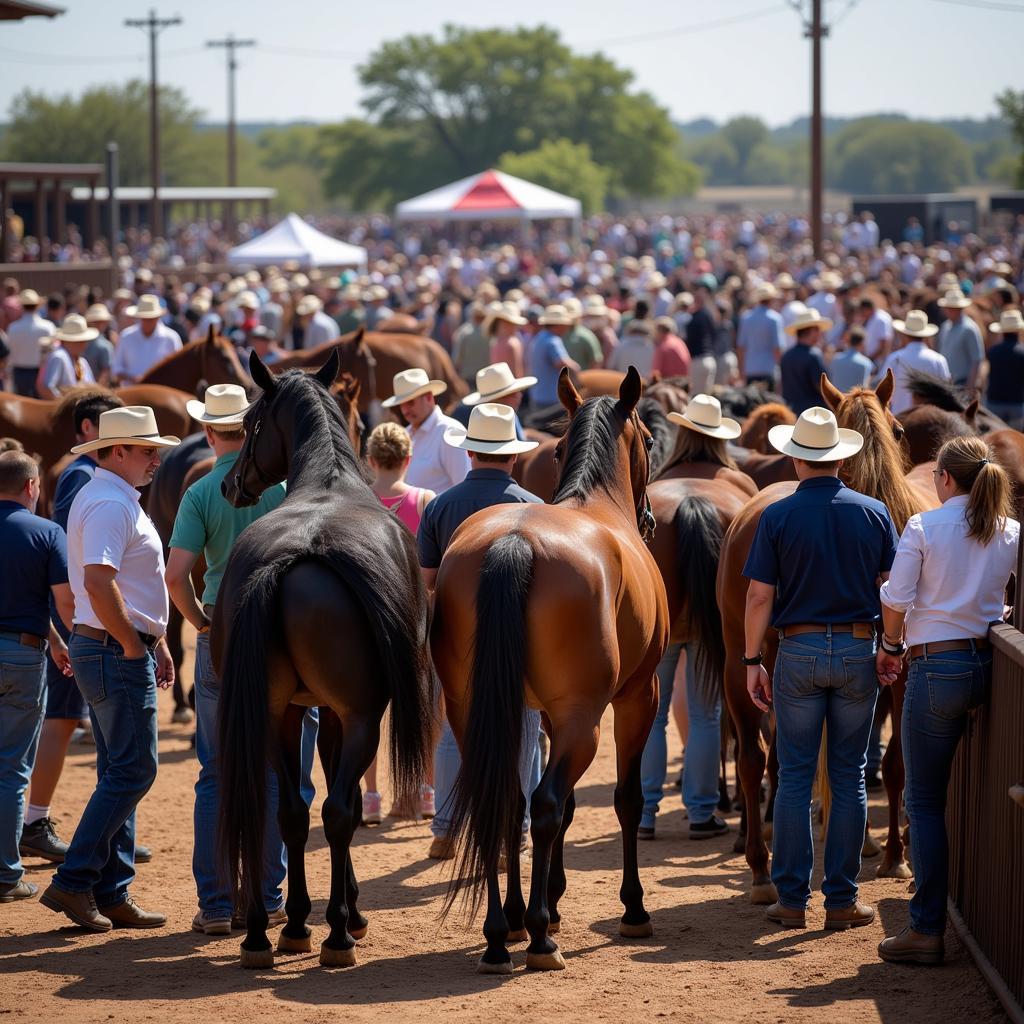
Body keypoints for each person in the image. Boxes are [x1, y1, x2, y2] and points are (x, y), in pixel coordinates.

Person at [743, 406, 898, 930]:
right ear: (840, 459)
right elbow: (890, 593)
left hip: (797, 650)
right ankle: (840, 900)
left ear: (794, 458)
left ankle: (790, 900)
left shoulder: (777, 515)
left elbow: (760, 596)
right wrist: (891, 646)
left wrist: (749, 661)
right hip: (858, 649)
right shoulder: (874, 512)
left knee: (793, 778)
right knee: (851, 777)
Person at [165, 384, 309, 936]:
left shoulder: (202, 492)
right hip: (282, 632)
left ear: (207, 431)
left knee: (216, 772)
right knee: (282, 771)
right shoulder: (284, 491)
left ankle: (218, 902)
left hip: (223, 633)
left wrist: (200, 622)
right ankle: (271, 895)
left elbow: (176, 575)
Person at [877, 436, 1018, 965]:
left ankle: (927, 927)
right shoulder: (1010, 531)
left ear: (945, 479)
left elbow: (896, 598)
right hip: (992, 666)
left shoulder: (924, 526)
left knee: (924, 802)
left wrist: (890, 646)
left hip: (936, 667)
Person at [40, 406, 180, 932]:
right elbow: (99, 582)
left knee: (118, 768)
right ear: (117, 451)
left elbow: (117, 585)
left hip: (107, 644)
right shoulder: (108, 502)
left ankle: (110, 888)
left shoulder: (110, 497)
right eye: (147, 450)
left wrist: (152, 638)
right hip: (110, 647)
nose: (155, 459)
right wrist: (131, 642)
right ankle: (77, 881)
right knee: (133, 769)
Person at [416, 403, 543, 859]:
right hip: (523, 638)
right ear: (512, 456)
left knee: (455, 726)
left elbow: (426, 583)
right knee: (527, 723)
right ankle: (520, 827)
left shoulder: (441, 507)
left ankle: (447, 828)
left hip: (458, 636)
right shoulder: (538, 509)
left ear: (470, 454)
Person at [19, 393, 127, 868]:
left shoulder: (85, 477)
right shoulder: (81, 477)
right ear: (87, 430)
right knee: (62, 723)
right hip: (78, 618)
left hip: (79, 616)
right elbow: (68, 557)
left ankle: (106, 836)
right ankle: (34, 822)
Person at [640, 396, 744, 841]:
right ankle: (701, 811)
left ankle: (644, 810)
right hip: (712, 622)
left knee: (651, 714)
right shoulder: (738, 485)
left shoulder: (654, 486)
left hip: (658, 621)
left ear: (681, 435)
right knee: (706, 713)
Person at [0, 451, 74, 902]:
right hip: (24, 657)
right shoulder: (47, 532)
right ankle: (6, 874)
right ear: (31, 487)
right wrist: (66, 641)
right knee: (11, 768)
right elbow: (62, 604)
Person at [360, 422, 437, 825]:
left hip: (369, 618)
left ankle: (370, 796)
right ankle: (426, 791)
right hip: (415, 617)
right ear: (408, 459)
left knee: (366, 711)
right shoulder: (426, 500)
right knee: (424, 707)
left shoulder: (357, 502)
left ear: (371, 460)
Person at [382, 369, 469, 493]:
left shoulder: (450, 432)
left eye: (410, 402)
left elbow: (464, 486)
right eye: (402, 404)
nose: (405, 410)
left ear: (429, 397)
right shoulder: (405, 434)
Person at [879, 310, 951, 416]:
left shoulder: (895, 358)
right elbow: (946, 392)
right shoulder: (938, 360)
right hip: (930, 419)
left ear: (904, 335)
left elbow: (883, 390)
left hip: (898, 418)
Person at [450, 361, 535, 440]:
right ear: (497, 400)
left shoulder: (510, 416)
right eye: (513, 393)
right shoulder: (468, 420)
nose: (519, 395)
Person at [111, 295, 181, 385]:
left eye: (151, 319)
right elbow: (116, 368)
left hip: (161, 394)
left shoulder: (172, 338)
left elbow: (178, 369)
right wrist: (132, 378)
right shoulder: (126, 336)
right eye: (144, 318)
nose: (147, 322)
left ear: (158, 317)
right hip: (131, 394)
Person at [528, 304, 580, 412]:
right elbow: (561, 362)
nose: (567, 328)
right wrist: (578, 372)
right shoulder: (553, 341)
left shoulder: (539, 337)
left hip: (538, 395)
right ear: (559, 325)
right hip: (552, 399)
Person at [780, 308, 831, 414]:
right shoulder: (813, 355)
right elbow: (823, 389)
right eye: (817, 329)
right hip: (813, 415)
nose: (820, 333)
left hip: (790, 412)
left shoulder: (786, 356)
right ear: (812, 330)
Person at [7, 289, 55, 397]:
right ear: (38, 305)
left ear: (21, 306)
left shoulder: (13, 328)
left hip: (20, 373)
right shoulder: (48, 327)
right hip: (41, 372)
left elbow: (11, 351)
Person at [737, 284, 785, 387]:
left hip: (751, 369)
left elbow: (741, 347)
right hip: (768, 369)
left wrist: (741, 369)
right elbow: (777, 348)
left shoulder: (746, 318)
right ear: (772, 299)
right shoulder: (775, 319)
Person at [39, 315, 97, 398]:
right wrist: (64, 405)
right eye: (80, 341)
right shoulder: (59, 357)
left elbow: (91, 386)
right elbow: (49, 387)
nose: (85, 345)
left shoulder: (81, 361)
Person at [984, 309, 1024, 430]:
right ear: (1018, 331)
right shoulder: (1022, 352)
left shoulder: (993, 351)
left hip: (995, 403)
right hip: (1017, 404)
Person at [936, 289, 983, 389]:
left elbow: (977, 359)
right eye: (948, 308)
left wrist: (970, 386)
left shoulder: (969, 329)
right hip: (946, 383)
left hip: (962, 383)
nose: (949, 311)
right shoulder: (945, 326)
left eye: (953, 308)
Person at [686, 286, 718, 395]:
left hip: (698, 361)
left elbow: (689, 341)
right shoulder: (709, 315)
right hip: (710, 360)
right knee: (706, 398)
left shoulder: (694, 318)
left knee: (695, 398)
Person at [485, 300, 527, 379]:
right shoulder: (513, 343)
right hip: (511, 387)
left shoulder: (494, 342)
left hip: (498, 387)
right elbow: (518, 374)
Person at [452, 300, 490, 386]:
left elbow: (457, 359)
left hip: (468, 379)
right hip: (487, 378)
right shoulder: (490, 332)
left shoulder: (463, 332)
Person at [562, 297, 604, 371]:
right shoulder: (557, 335)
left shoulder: (586, 336)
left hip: (580, 380)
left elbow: (596, 362)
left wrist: (586, 380)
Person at [828, 326, 873, 393]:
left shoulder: (835, 359)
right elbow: (864, 388)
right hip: (854, 402)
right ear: (862, 343)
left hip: (835, 400)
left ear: (847, 341)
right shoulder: (866, 363)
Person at [83, 305, 116, 386]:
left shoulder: (105, 346)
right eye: (97, 322)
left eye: (102, 322)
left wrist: (95, 390)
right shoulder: (105, 345)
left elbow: (106, 372)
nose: (100, 325)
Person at [856, 297, 894, 367]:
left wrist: (871, 358)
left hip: (878, 362)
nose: (861, 314)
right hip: (871, 360)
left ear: (867, 309)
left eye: (862, 311)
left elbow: (884, 343)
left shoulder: (881, 319)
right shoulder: (872, 317)